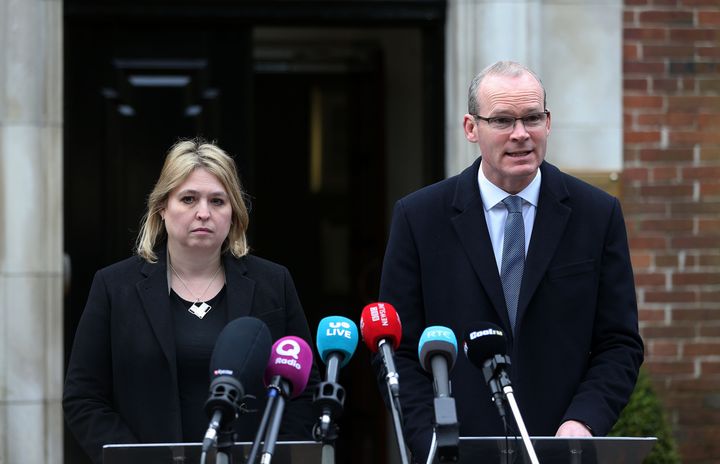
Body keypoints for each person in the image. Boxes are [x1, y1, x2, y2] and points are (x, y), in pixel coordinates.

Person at [377, 61, 644, 462]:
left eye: (532, 118)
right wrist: (431, 438)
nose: (521, 134)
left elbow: (619, 343)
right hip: (454, 453)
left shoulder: (596, 214)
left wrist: (583, 422)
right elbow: (395, 350)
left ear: (548, 122)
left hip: (560, 449)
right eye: (502, 120)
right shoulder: (420, 218)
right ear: (471, 128)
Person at [63, 139, 319, 463]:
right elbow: (82, 398)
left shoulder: (273, 283)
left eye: (217, 201)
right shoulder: (114, 287)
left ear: (234, 212)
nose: (203, 213)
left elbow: (304, 391)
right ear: (161, 207)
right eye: (188, 199)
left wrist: (269, 455)